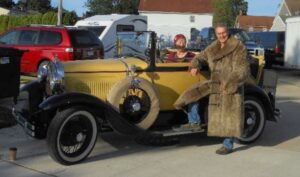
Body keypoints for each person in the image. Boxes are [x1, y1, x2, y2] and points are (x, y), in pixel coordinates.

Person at [174, 23, 250, 155]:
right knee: (193, 93)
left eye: (224, 33)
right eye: (219, 34)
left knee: (229, 115)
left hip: (230, 85)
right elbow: (200, 56)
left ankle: (228, 144)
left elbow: (242, 69)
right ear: (216, 34)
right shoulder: (213, 47)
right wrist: (195, 65)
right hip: (215, 83)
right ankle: (194, 120)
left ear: (228, 32)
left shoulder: (238, 47)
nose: (222, 36)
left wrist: (231, 84)